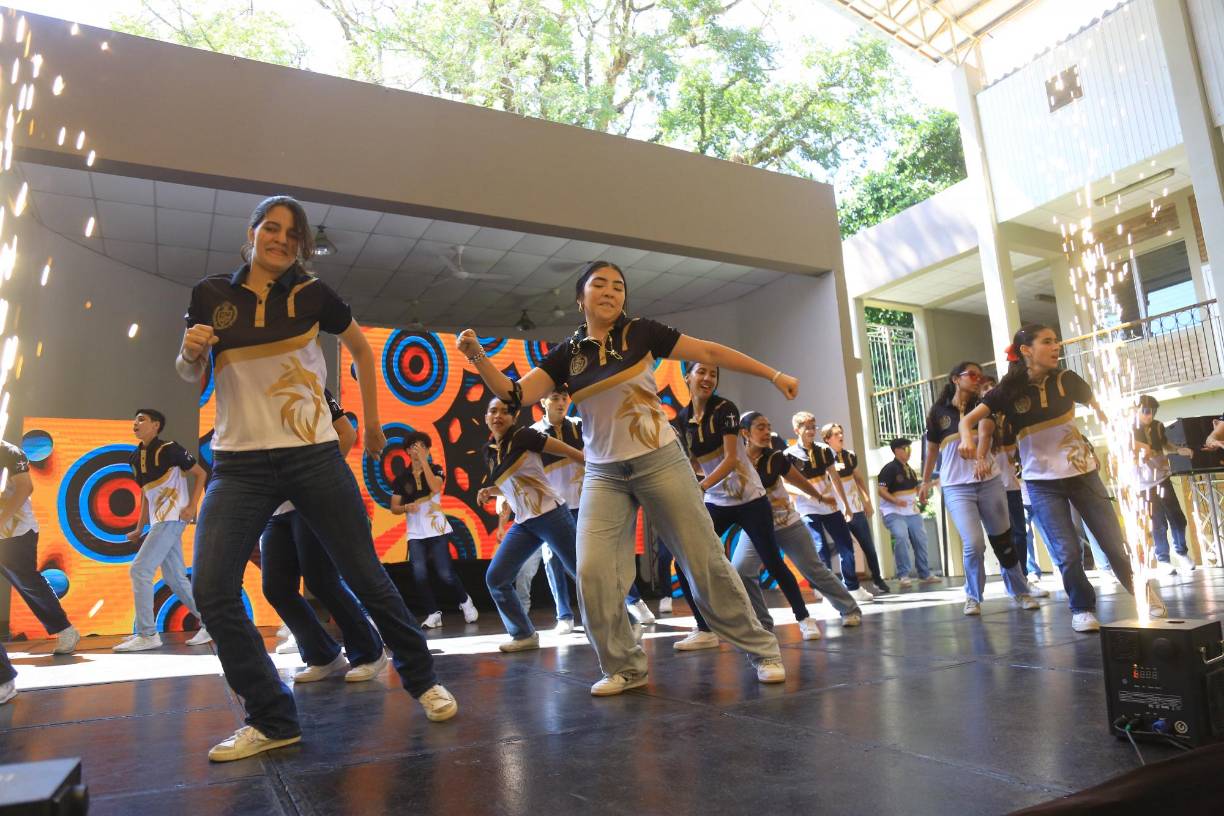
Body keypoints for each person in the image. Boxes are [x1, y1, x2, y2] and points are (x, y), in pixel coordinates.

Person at [176, 195, 456, 763]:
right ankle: (271, 718)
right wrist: (187, 353)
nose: (279, 239)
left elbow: (360, 350)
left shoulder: (314, 296)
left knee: (365, 574)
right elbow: (191, 373)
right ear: (250, 234)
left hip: (312, 456)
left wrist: (372, 424)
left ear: (301, 245)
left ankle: (422, 678)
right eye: (270, 229)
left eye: (291, 233)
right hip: (240, 464)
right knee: (211, 589)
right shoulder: (211, 294)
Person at [456, 259, 790, 695]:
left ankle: (763, 649)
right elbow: (514, 394)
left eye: (619, 286)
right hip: (603, 473)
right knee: (593, 571)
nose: (611, 291)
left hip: (660, 459)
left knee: (703, 561)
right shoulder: (567, 356)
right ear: (581, 298)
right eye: (600, 285)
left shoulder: (642, 333)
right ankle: (625, 666)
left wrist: (773, 374)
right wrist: (477, 356)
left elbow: (708, 352)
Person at [961, 324, 1167, 633]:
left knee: (1113, 542)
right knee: (1067, 551)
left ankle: (1144, 593)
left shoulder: (1067, 379)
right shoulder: (1008, 390)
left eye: (1056, 341)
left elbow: (1102, 412)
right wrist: (967, 440)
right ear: (1027, 350)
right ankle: (1082, 608)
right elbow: (968, 420)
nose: (1056, 346)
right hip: (1041, 483)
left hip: (1083, 475)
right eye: (1047, 342)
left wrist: (1122, 439)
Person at [671, 363, 821, 647]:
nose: (708, 378)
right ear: (687, 376)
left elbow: (729, 460)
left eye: (713, 373)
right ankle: (704, 630)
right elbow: (694, 462)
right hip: (718, 502)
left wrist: (700, 486)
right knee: (684, 560)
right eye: (701, 372)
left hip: (751, 500)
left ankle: (804, 618)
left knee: (773, 561)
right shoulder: (681, 418)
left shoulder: (725, 408)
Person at [259, 390, 389, 684]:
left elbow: (346, 433)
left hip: (311, 501)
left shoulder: (306, 383)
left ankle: (369, 652)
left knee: (321, 580)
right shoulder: (248, 396)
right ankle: (323, 655)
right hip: (274, 509)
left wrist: (317, 482)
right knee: (276, 588)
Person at [530, 387, 656, 634]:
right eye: (555, 398)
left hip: (587, 503)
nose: (561, 402)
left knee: (605, 558)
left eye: (565, 398)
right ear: (543, 401)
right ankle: (564, 615)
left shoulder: (579, 426)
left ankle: (633, 601)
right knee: (553, 559)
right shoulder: (534, 435)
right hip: (554, 508)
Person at [920, 362, 1038, 616]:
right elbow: (931, 451)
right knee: (973, 543)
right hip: (956, 487)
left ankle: (1020, 591)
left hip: (989, 482)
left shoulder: (984, 406)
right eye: (971, 375)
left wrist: (982, 459)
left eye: (979, 376)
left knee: (1003, 542)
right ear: (955, 378)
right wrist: (924, 481)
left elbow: (985, 434)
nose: (977, 379)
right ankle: (973, 596)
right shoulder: (937, 412)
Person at [734, 411, 862, 629]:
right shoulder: (735, 460)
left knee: (813, 569)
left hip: (786, 522)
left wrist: (820, 496)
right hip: (755, 526)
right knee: (741, 570)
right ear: (745, 432)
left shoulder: (776, 457)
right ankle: (763, 622)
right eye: (760, 428)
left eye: (768, 427)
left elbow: (798, 480)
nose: (766, 432)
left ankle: (850, 608)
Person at [478, 397, 585, 651]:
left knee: (584, 575)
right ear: (486, 417)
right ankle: (523, 634)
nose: (498, 416)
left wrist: (586, 460)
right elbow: (511, 484)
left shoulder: (523, 436)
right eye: (493, 411)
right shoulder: (490, 451)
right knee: (496, 578)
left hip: (551, 514)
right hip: (524, 522)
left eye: (505, 412)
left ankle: (621, 622)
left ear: (514, 418)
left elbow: (560, 448)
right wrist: (490, 492)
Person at [119, 409, 212, 652]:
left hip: (173, 517)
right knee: (174, 577)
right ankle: (211, 622)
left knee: (140, 570)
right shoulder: (134, 457)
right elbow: (146, 495)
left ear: (156, 425)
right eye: (135, 418)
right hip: (159, 522)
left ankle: (148, 634)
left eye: (142, 419)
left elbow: (201, 473)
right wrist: (140, 528)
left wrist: (192, 505)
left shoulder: (170, 448)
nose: (136, 422)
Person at [390, 431, 480, 629]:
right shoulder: (401, 478)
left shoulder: (436, 470)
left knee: (445, 573)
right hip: (415, 533)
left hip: (437, 529)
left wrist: (424, 462)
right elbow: (394, 506)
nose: (419, 450)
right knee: (419, 575)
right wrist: (406, 507)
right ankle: (433, 613)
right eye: (415, 447)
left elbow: (435, 487)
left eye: (424, 447)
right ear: (407, 451)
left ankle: (465, 601)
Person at [786, 412, 876, 603]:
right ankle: (827, 590)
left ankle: (852, 586)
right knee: (820, 547)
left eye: (813, 427)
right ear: (797, 430)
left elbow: (835, 478)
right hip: (806, 508)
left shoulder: (824, 450)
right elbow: (783, 484)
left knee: (846, 546)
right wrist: (805, 494)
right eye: (806, 427)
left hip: (830, 506)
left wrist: (845, 506)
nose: (811, 431)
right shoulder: (788, 455)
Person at [0, 439, 79, 655]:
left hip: (15, 533)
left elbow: (25, 487)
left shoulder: (9, 452)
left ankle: (65, 630)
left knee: (29, 583)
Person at [823, 422, 891, 594]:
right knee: (846, 549)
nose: (840, 436)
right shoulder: (822, 459)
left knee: (868, 546)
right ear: (827, 439)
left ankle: (877, 579)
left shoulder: (850, 456)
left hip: (856, 509)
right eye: (836, 434)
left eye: (841, 432)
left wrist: (867, 500)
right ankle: (851, 585)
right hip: (837, 512)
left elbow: (859, 479)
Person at [1134, 395, 1195, 575]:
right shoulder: (1127, 430)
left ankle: (1181, 552)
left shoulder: (1158, 426)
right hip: (1143, 484)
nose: (1149, 415)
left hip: (1162, 477)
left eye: (1153, 412)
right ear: (1136, 410)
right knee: (1157, 523)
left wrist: (1177, 450)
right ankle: (1163, 560)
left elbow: (1164, 444)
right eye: (1146, 411)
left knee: (1178, 518)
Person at [877, 438, 936, 588]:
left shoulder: (909, 469)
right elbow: (881, 491)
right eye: (905, 449)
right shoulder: (888, 469)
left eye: (910, 449)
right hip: (893, 511)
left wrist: (921, 497)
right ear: (897, 450)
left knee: (921, 539)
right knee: (901, 536)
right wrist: (896, 501)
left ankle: (924, 573)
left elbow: (915, 489)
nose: (909, 452)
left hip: (911, 511)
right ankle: (903, 575)